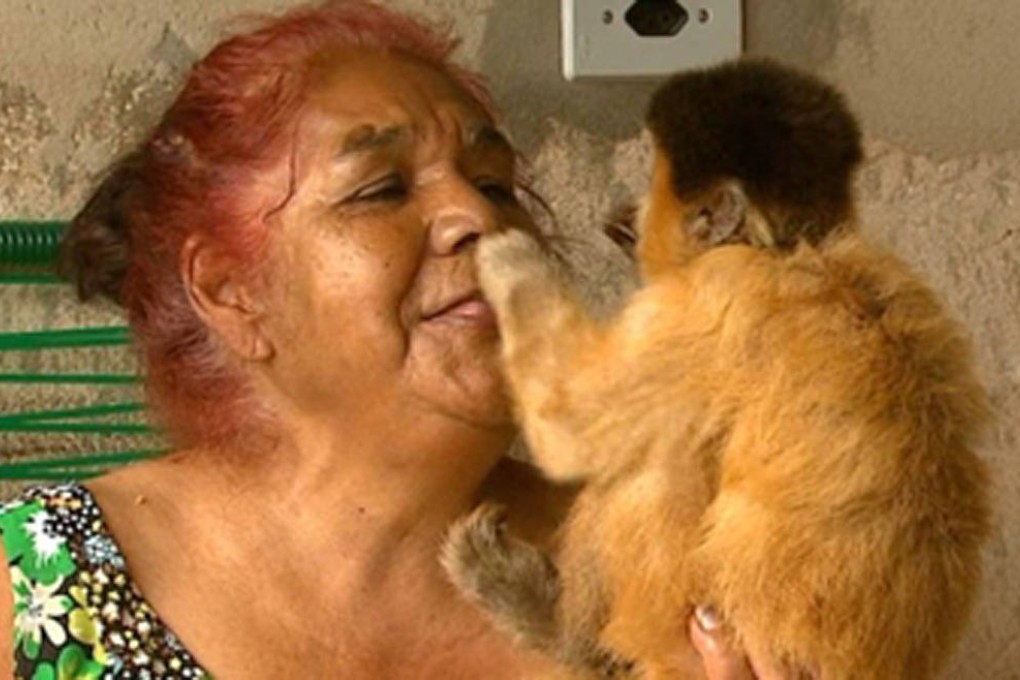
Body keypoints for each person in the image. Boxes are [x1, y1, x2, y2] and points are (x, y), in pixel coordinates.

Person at [0, 2, 793, 678]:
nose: (480, 219)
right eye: (381, 190)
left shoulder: (690, 581)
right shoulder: (35, 586)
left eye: (494, 184)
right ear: (231, 291)